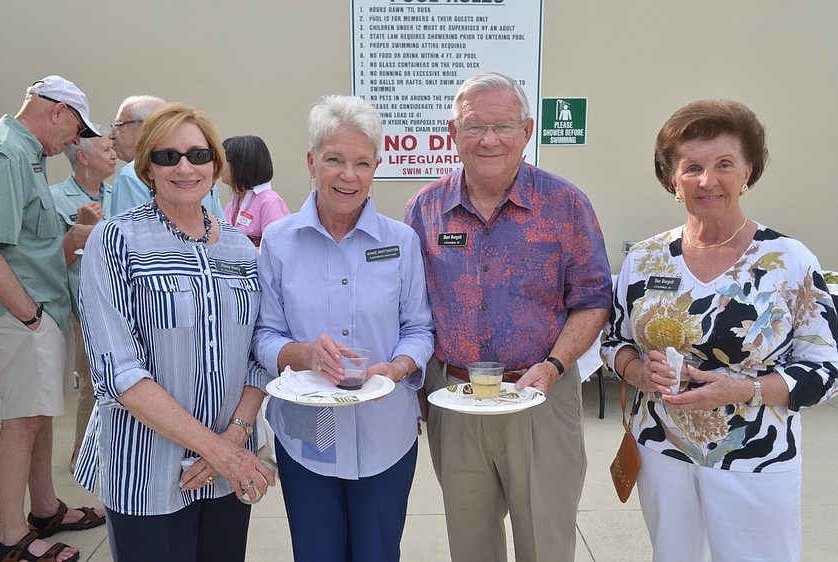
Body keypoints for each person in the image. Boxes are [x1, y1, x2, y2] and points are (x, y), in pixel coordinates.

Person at [601, 99, 838, 562]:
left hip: (755, 455)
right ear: (673, 179)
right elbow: (614, 342)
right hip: (660, 451)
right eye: (692, 167)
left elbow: (826, 370)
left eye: (724, 164)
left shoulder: (789, 262)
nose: (707, 181)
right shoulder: (645, 259)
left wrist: (741, 390)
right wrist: (636, 372)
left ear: (749, 171)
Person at [405, 71, 612, 562]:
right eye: (475, 127)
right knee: (470, 543)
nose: (489, 140)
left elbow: (593, 299)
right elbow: (409, 307)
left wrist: (555, 366)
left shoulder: (565, 205)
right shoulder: (425, 209)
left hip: (538, 395)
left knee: (546, 541)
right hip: (453, 399)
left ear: (528, 130)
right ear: (452, 132)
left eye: (503, 126)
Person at [73, 103, 275, 562]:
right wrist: (218, 452)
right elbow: (117, 371)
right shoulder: (115, 240)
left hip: (226, 469)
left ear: (215, 164)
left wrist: (234, 441)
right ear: (147, 167)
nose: (185, 167)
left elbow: (258, 357)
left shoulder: (242, 248)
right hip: (145, 471)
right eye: (167, 157)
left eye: (198, 155)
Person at [251, 95, 433, 562]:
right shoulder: (279, 241)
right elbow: (264, 335)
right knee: (317, 554)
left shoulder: (401, 241)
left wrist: (395, 368)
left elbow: (419, 328)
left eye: (362, 162)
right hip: (309, 434)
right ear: (312, 162)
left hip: (384, 434)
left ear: (376, 167)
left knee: (377, 553)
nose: (348, 175)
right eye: (334, 160)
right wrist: (304, 354)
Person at [0, 75, 105, 562]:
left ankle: (45, 508)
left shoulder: (28, 153)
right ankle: (13, 539)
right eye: (76, 128)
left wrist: (74, 235)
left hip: (41, 310)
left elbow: (31, 246)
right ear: (56, 111)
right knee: (21, 421)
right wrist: (30, 315)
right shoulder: (4, 151)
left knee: (39, 418)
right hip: (24, 313)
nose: (76, 141)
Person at [49, 123, 116, 473]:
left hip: (122, 303)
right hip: (81, 306)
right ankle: (83, 447)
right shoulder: (54, 198)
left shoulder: (121, 193)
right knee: (92, 376)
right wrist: (77, 233)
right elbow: (50, 262)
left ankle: (116, 446)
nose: (114, 154)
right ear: (82, 158)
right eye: (106, 150)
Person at [108, 95, 225, 219]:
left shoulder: (130, 175)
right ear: (149, 171)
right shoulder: (201, 175)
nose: (112, 134)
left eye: (119, 125)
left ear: (145, 126)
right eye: (169, 157)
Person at [221, 135, 290, 247]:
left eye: (224, 161)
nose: (218, 166)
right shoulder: (231, 206)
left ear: (242, 165)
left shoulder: (270, 202)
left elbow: (278, 248)